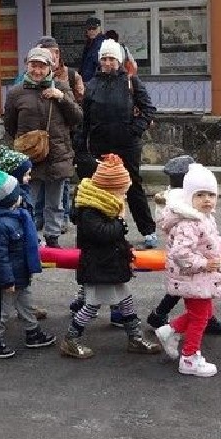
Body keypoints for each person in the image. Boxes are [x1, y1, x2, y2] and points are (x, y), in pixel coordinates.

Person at [58, 153, 162, 359]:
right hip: (99, 265)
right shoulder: (91, 210)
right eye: (122, 192)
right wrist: (120, 223)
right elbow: (102, 234)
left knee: (125, 300)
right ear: (110, 189)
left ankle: (135, 337)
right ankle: (71, 339)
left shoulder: (105, 206)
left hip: (109, 264)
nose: (124, 196)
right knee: (92, 305)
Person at [152, 164, 221, 377]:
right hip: (193, 277)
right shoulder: (188, 223)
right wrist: (204, 264)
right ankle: (189, 358)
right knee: (200, 318)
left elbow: (210, 241)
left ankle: (170, 330)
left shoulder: (203, 217)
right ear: (189, 197)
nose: (207, 200)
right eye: (200, 195)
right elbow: (180, 253)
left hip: (198, 278)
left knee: (203, 313)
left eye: (211, 195)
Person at [78, 37, 158, 248]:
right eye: (104, 59)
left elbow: (148, 110)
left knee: (132, 186)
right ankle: (107, 232)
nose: (107, 63)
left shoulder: (131, 82)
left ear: (119, 60)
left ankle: (148, 230)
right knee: (101, 188)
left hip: (127, 146)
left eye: (112, 59)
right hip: (100, 146)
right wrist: (81, 147)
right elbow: (85, 120)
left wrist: (134, 130)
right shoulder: (92, 85)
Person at [3, 46, 83, 248]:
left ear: (50, 67)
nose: (37, 71)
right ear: (27, 66)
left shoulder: (62, 87)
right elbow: (10, 125)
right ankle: (29, 237)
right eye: (34, 66)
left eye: (42, 66)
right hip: (29, 156)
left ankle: (52, 237)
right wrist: (27, 143)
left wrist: (61, 97)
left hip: (57, 154)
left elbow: (77, 117)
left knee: (55, 203)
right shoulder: (16, 92)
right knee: (27, 200)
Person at [145, 155, 221, 336]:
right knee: (194, 290)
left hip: (187, 254)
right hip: (192, 254)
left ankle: (160, 315)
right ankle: (196, 322)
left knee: (185, 288)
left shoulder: (175, 201)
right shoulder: (184, 209)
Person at [0, 169, 56, 358]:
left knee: (26, 306)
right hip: (7, 279)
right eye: (17, 193)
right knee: (1, 310)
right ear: (10, 199)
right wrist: (6, 280)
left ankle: (33, 332)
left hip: (20, 272)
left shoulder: (15, 215)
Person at [79, 16, 105, 83]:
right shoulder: (89, 44)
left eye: (94, 28)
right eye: (89, 28)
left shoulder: (103, 44)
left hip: (96, 83)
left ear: (99, 28)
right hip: (86, 82)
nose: (91, 31)